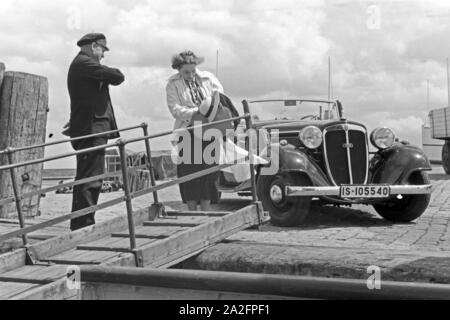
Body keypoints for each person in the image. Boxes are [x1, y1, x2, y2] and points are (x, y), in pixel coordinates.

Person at [66, 33, 125, 231]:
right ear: (94, 46)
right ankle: (84, 226)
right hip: (92, 128)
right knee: (91, 179)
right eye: (102, 50)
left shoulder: (83, 65)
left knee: (88, 177)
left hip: (89, 127)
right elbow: (118, 76)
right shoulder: (85, 63)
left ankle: (80, 224)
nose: (103, 55)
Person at [166, 50, 223, 212]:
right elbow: (175, 109)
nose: (190, 75)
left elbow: (220, 98)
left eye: (193, 71)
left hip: (210, 130)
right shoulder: (172, 84)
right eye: (186, 72)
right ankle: (192, 212)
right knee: (189, 172)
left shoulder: (208, 78)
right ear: (178, 70)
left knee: (209, 173)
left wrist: (210, 110)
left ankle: (205, 212)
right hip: (188, 131)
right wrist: (198, 112)